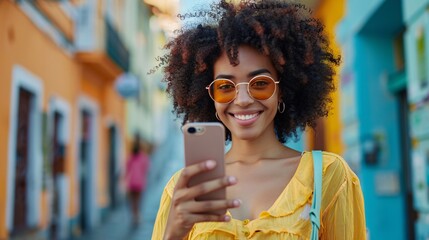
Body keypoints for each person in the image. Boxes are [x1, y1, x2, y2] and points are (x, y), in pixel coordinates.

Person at [152, 0, 366, 239]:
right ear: (210, 96)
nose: (242, 99)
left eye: (260, 84)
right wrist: (172, 234)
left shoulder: (328, 176)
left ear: (282, 90)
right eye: (225, 86)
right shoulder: (183, 189)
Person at [125, 134, 150, 227]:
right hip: (140, 182)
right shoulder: (143, 157)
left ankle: (134, 216)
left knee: (132, 200)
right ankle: (137, 216)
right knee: (138, 200)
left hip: (131, 182)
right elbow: (146, 169)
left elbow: (127, 168)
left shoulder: (130, 157)